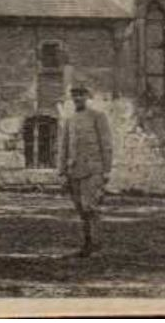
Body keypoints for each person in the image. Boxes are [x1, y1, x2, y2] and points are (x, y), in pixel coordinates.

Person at [57, 84, 113, 257]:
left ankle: (97, 246)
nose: (77, 98)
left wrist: (106, 170)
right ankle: (87, 245)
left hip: (93, 169)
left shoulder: (98, 117)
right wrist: (62, 171)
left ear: (87, 96)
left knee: (91, 207)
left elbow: (106, 144)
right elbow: (64, 147)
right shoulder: (69, 120)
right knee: (81, 209)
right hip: (75, 171)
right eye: (74, 95)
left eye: (81, 95)